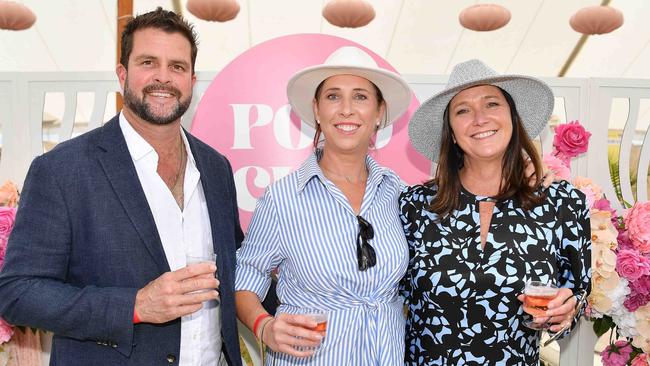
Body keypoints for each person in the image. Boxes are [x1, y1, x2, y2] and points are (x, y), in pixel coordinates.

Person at [0, 8, 242, 366]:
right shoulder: (62, 170)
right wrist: (135, 306)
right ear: (122, 74)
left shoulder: (216, 167)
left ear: (192, 78)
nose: (163, 78)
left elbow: (236, 266)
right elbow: (17, 292)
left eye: (176, 66)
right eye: (148, 62)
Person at [400, 59, 591, 365]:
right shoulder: (415, 205)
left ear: (513, 118)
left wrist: (566, 311)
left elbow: (577, 291)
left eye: (492, 103)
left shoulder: (563, 203)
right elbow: (386, 292)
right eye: (462, 110)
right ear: (450, 131)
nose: (479, 118)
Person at [235, 46, 413, 365]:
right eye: (333, 96)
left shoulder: (398, 194)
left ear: (378, 112)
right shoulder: (282, 198)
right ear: (317, 110)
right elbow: (245, 276)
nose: (346, 109)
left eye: (360, 97)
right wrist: (264, 326)